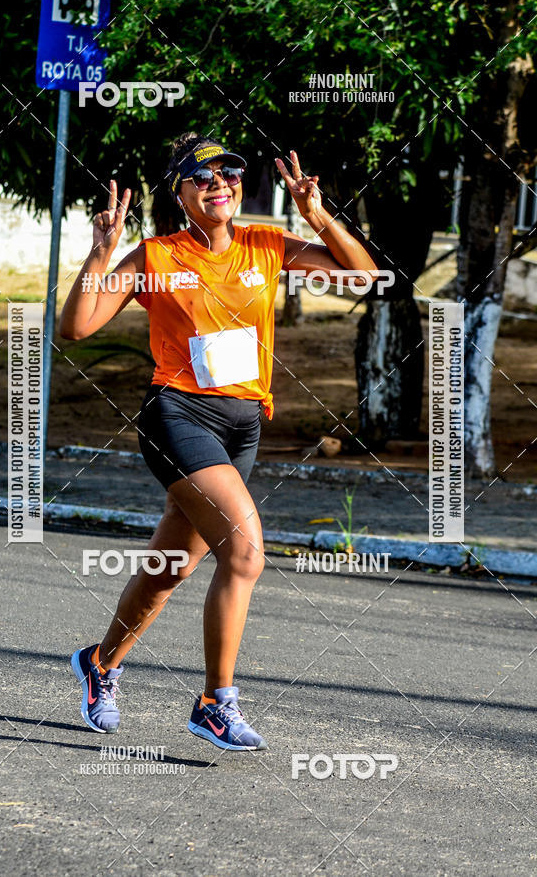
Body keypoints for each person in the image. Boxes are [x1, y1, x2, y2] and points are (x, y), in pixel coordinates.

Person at [59, 132, 378, 750]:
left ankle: (99, 663)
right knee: (246, 552)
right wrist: (100, 255)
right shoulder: (154, 257)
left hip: (243, 426)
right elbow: (75, 326)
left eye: (228, 174)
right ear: (179, 193)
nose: (219, 185)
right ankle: (214, 704)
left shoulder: (266, 245)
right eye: (202, 178)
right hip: (177, 416)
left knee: (169, 568)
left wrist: (316, 215)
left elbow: (363, 278)